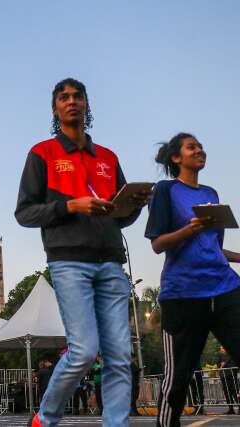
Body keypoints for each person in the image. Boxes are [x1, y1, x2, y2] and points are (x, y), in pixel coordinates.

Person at [15, 78, 149, 427]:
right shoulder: (42, 153)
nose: (72, 101)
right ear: (55, 108)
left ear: (87, 105)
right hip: (69, 261)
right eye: (64, 97)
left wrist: (133, 204)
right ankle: (45, 417)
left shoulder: (108, 157)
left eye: (78, 96)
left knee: (120, 356)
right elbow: (25, 213)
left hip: (111, 261)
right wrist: (71, 205)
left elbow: (120, 217)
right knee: (84, 351)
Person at [145, 132, 240, 427]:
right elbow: (158, 243)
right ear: (177, 158)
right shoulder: (164, 190)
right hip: (184, 294)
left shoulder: (210, 194)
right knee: (179, 377)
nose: (200, 150)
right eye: (192, 147)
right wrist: (191, 229)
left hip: (225, 287)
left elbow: (212, 247)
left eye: (201, 146)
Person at [220, 348, 238, 415]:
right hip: (224, 376)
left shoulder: (232, 355)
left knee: (235, 392)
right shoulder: (223, 356)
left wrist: (224, 364)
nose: (221, 349)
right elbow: (220, 365)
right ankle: (230, 409)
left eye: (222, 348)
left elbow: (233, 366)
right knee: (227, 393)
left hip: (231, 375)